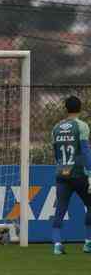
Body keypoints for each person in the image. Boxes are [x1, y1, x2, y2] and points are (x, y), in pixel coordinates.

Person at [51, 95, 91, 255]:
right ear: (80, 108)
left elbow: (55, 153)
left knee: (60, 209)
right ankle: (88, 242)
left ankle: (57, 244)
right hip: (80, 173)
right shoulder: (81, 126)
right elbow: (85, 150)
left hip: (62, 173)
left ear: (66, 109)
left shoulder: (56, 127)